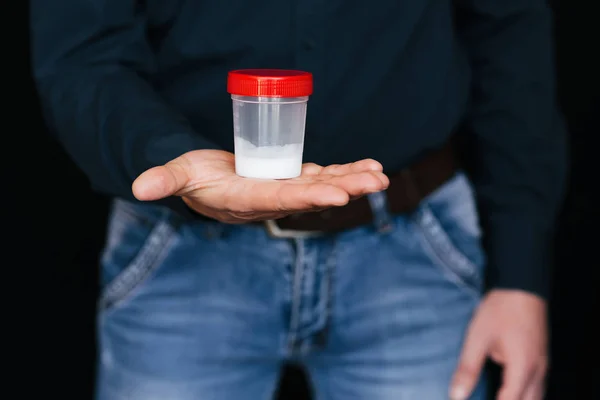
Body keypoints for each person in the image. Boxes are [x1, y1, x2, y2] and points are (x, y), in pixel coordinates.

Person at [30, 1, 566, 399]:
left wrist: (520, 276)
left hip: (413, 246)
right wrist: (171, 154)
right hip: (177, 248)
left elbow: (510, 36)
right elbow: (83, 55)